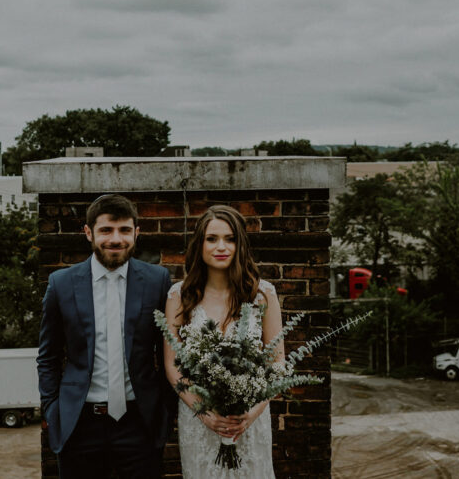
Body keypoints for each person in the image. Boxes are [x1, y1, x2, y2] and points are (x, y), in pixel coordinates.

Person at [37, 193, 173, 479]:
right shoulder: (61, 285)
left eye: (124, 230)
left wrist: (165, 410)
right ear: (88, 233)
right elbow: (48, 356)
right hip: (79, 423)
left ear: (136, 233)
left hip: (140, 422)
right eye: (106, 230)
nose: (116, 239)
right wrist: (53, 410)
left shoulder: (157, 281)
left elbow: (167, 353)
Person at [163, 205, 282, 478]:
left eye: (230, 239)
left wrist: (250, 413)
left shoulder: (262, 295)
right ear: (199, 244)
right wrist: (205, 413)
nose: (221, 246)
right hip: (201, 421)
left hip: (249, 422)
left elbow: (277, 362)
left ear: (240, 244)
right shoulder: (179, 296)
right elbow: (172, 365)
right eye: (212, 238)